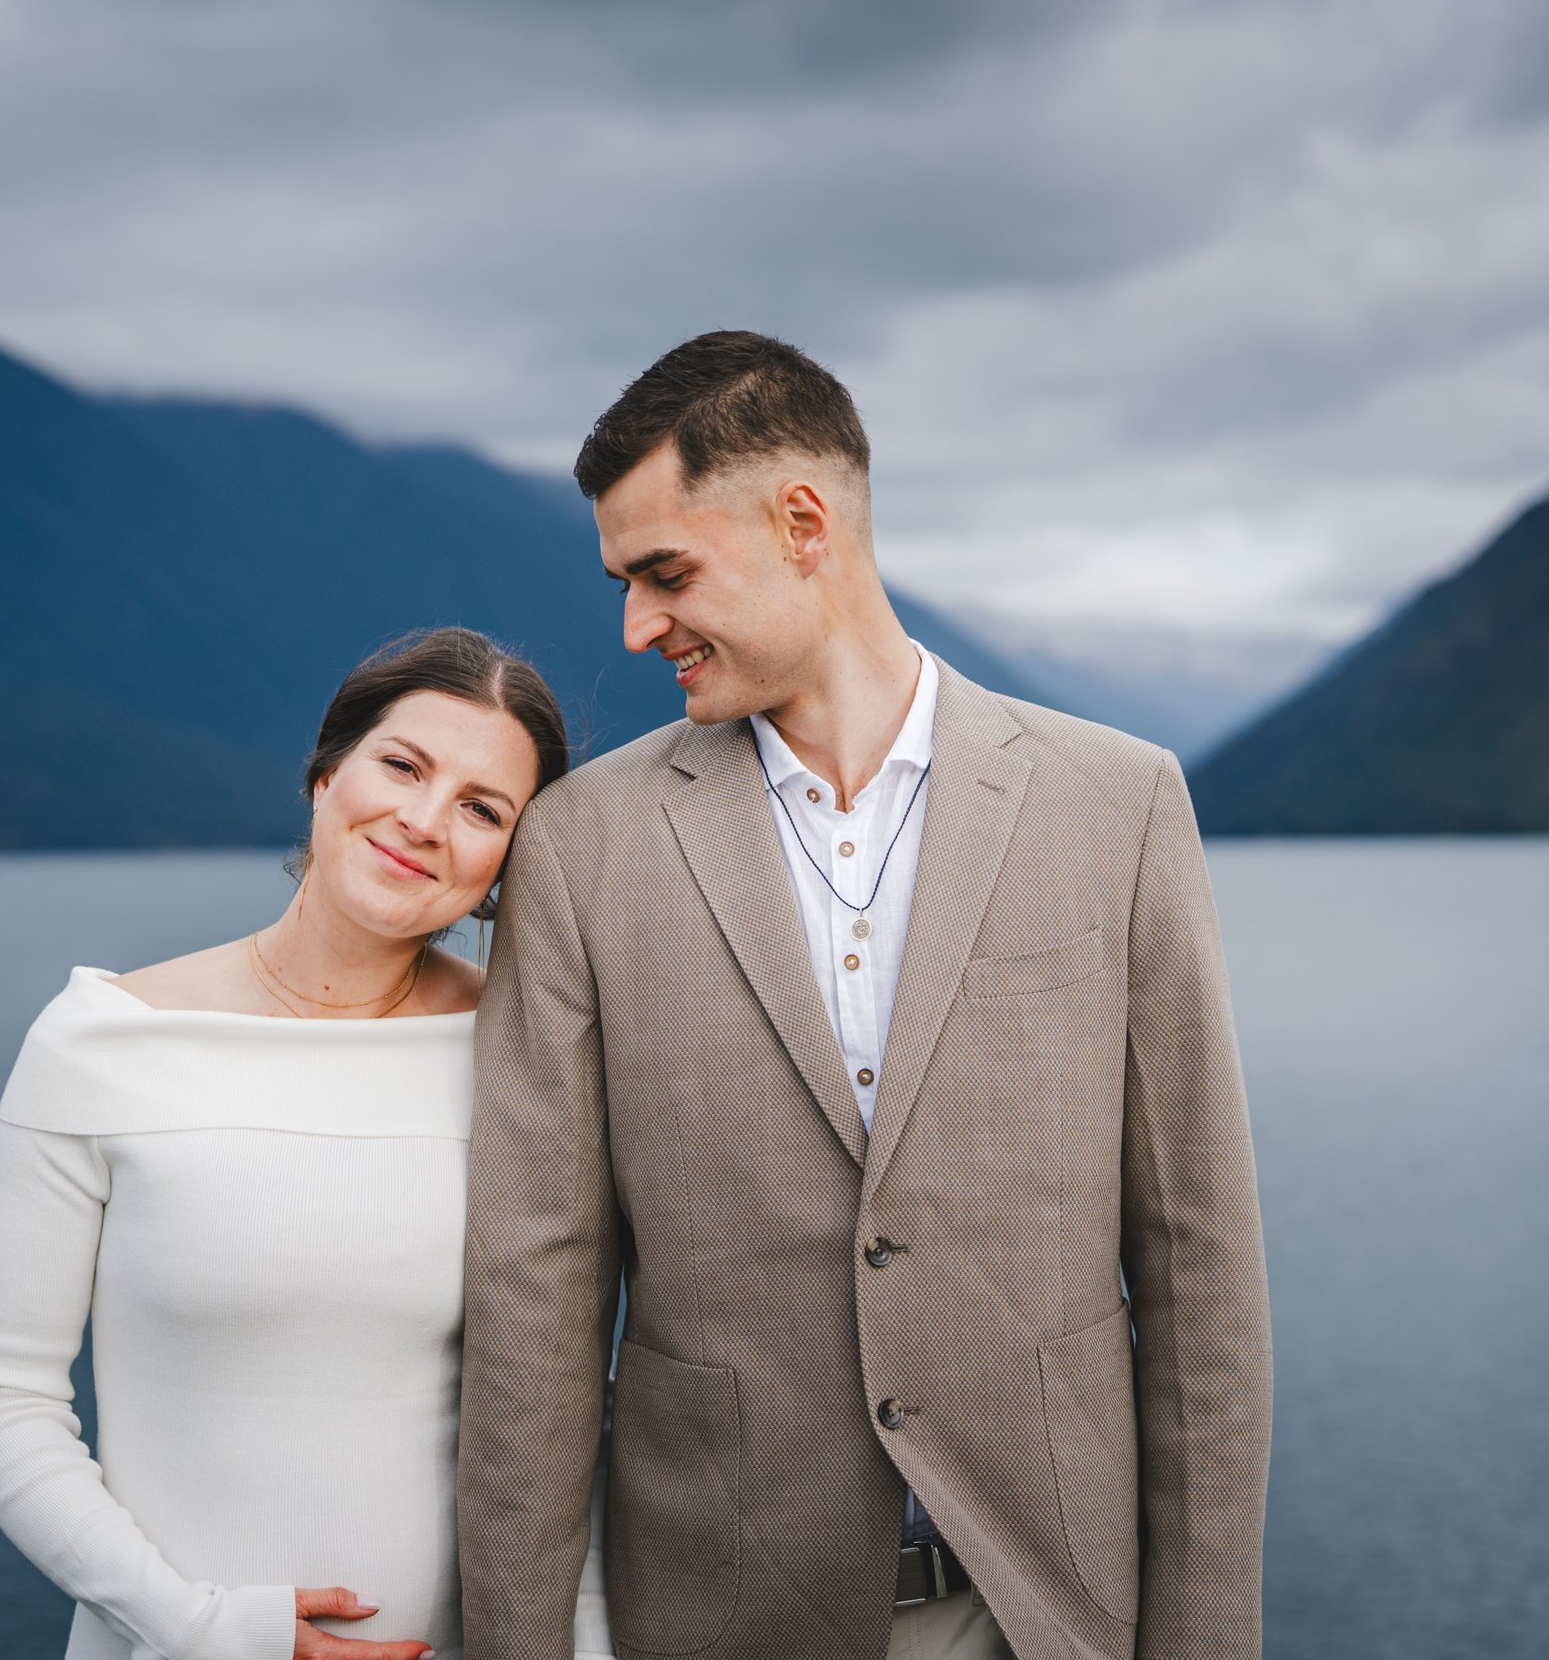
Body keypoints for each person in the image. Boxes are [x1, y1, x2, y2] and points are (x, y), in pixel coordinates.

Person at [457, 335, 1273, 1660]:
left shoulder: (1118, 805)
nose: (635, 626)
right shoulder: (582, 845)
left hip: (1047, 1610)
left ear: (801, 521)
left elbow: (1203, 1274)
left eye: (665, 572)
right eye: (623, 582)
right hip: (722, 1612)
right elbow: (535, 1287)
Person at [0, 628, 615, 1660]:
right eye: (402, 765)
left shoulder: (529, 1060)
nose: (424, 820)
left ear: (504, 867)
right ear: (323, 772)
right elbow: (1, 1404)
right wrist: (211, 1629)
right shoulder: (100, 1041)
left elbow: (574, 1419)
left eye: (483, 809)